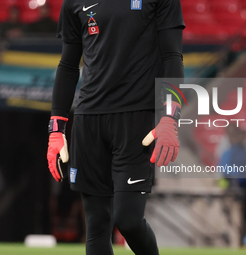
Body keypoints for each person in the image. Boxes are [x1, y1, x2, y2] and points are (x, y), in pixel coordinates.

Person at [46, 0, 185, 254]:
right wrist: (56, 128)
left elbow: (172, 56)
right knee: (97, 225)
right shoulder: (74, 3)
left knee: (128, 220)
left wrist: (170, 116)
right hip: (88, 120)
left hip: (136, 120)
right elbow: (67, 65)